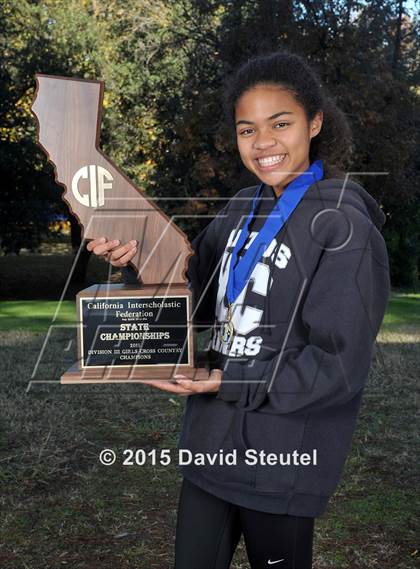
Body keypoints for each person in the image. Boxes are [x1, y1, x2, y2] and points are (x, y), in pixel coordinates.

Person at [87, 50, 390, 569]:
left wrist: (228, 381)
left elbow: (337, 365)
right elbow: (195, 302)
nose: (263, 142)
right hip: (209, 448)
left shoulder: (344, 224)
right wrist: (136, 265)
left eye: (281, 123)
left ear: (314, 123)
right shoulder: (240, 206)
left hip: (282, 458)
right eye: (247, 129)